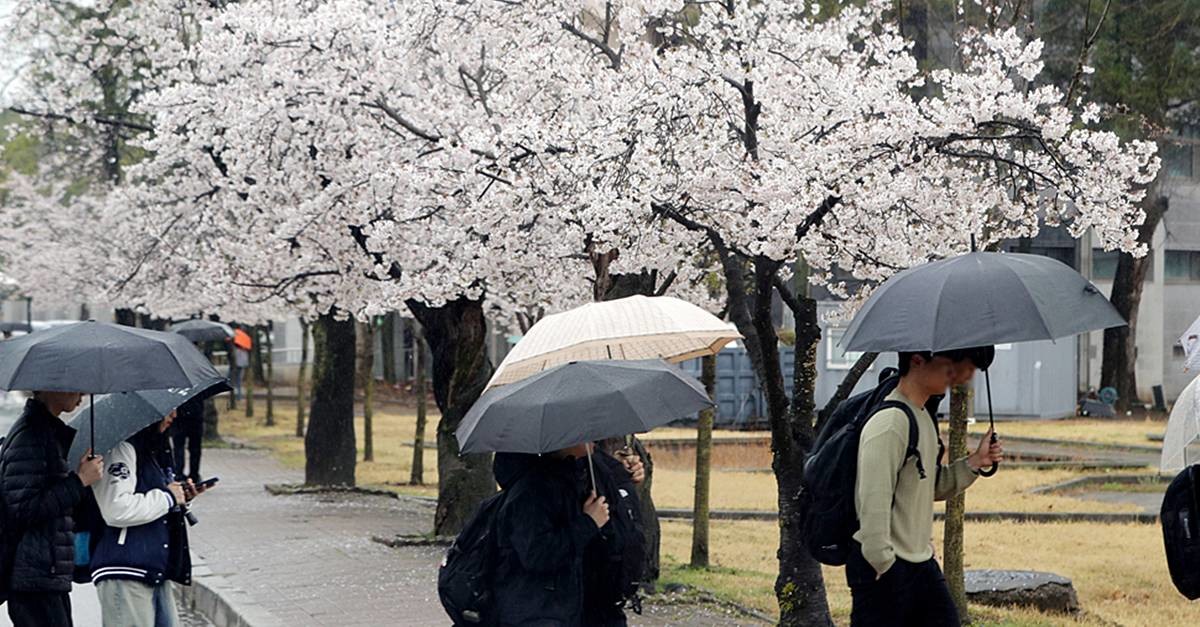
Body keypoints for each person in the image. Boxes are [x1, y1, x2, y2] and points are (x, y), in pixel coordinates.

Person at [848, 346, 1004, 627]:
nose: (958, 376)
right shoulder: (889, 423)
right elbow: (873, 500)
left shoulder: (921, 416)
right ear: (917, 361)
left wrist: (976, 462)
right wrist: (883, 561)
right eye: (950, 366)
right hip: (884, 566)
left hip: (918, 561)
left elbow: (927, 486)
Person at [89, 408, 212, 627]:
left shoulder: (153, 449)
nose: (174, 416)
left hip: (153, 566)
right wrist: (167, 496)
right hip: (125, 567)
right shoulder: (121, 447)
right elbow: (116, 508)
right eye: (169, 410)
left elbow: (158, 501)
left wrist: (180, 497)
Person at [0, 391, 105, 627]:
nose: (82, 395)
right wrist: (78, 482)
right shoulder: (30, 435)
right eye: (76, 387)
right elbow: (24, 509)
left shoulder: (47, 433)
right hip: (33, 576)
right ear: (54, 387)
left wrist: (82, 481)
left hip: (46, 573)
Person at [491, 444, 609, 626]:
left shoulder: (572, 478)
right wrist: (588, 523)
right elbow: (537, 554)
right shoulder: (532, 490)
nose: (593, 439)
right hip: (535, 611)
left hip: (562, 608)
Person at [583, 441, 646, 626]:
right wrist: (587, 523)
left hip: (609, 596)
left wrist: (618, 473)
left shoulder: (598, 461)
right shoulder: (545, 478)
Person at [171, 396, 204, 482]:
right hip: (193, 414)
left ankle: (180, 474)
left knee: (180, 447)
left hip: (182, 415)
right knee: (193, 448)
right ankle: (192, 475)